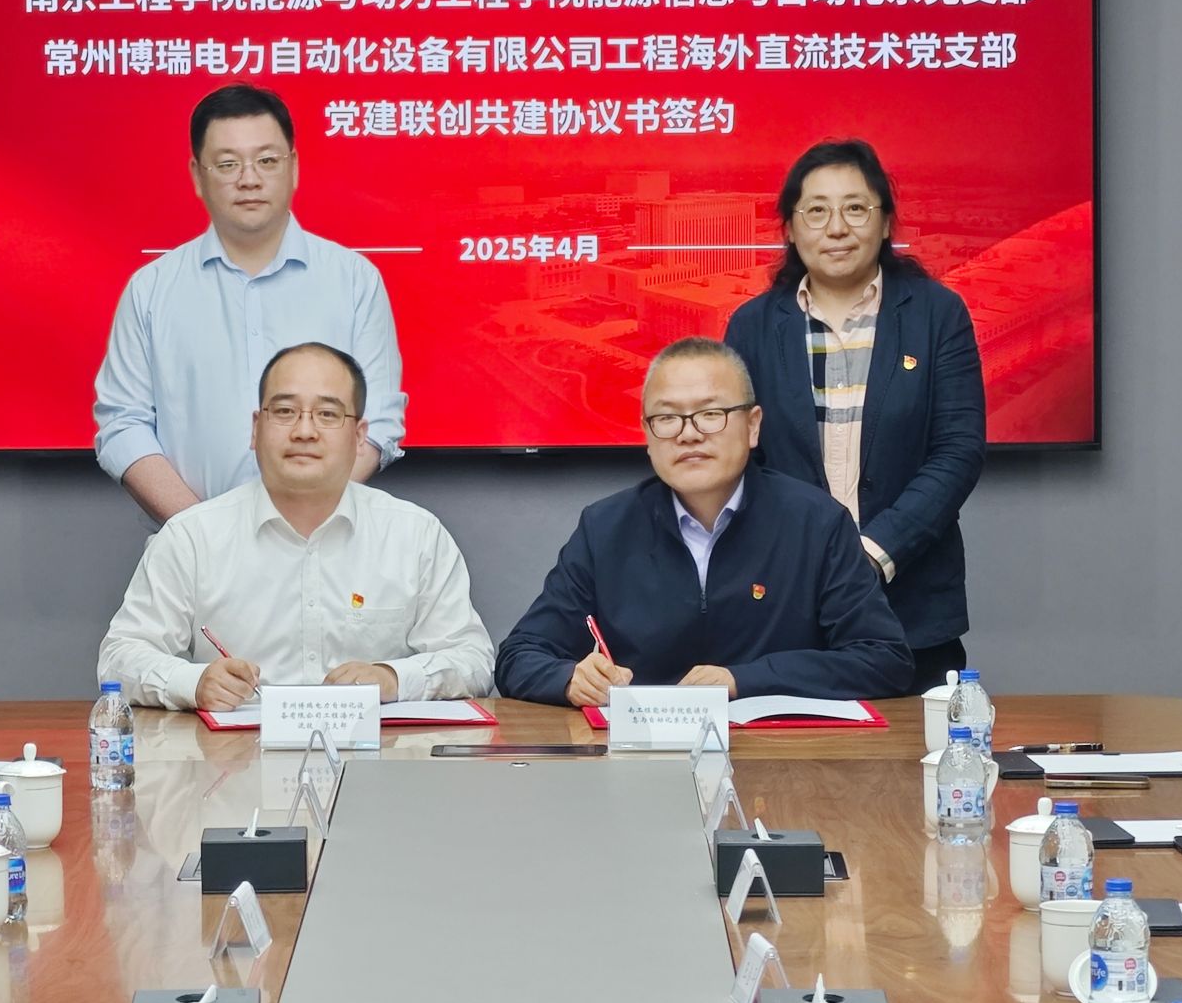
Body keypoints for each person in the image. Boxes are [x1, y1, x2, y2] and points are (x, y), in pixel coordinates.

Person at [494, 338, 913, 707]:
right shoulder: (605, 528)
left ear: (752, 426)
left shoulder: (816, 522)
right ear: (647, 435)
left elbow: (883, 659)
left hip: (781, 757)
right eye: (667, 418)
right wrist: (570, 679)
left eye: (710, 413)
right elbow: (518, 656)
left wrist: (742, 681)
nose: (689, 434)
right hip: (645, 756)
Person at [98, 342, 493, 711]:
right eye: (285, 411)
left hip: (376, 757)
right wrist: (193, 682)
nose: (304, 431)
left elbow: (473, 660)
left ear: (359, 436)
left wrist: (393, 678)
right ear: (256, 429)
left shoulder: (415, 535)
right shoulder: (192, 537)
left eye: (328, 414)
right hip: (231, 757)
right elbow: (119, 658)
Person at [724, 139, 986, 693]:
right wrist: (802, 560)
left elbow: (957, 452)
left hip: (913, 606)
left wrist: (871, 553)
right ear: (790, 228)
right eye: (816, 211)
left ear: (885, 222)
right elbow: (739, 459)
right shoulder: (751, 326)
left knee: (917, 745)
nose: (837, 228)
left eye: (856, 208)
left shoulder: (937, 314)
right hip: (786, 601)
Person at [93, 83, 407, 522]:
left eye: (267, 160)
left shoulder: (354, 281)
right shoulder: (151, 290)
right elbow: (123, 425)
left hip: (328, 543)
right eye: (227, 164)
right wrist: (202, 533)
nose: (249, 179)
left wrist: (307, 520)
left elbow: (379, 421)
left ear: (293, 167)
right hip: (192, 549)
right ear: (197, 175)